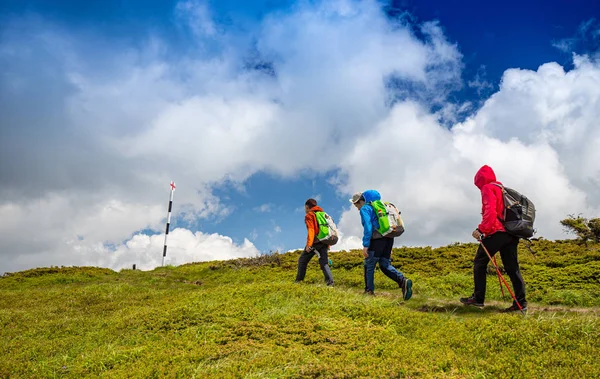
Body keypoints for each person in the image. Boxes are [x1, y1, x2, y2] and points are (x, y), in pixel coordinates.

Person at [460, 165, 528, 312]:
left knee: (479, 262)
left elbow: (490, 213)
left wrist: (481, 229)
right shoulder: (501, 188)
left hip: (497, 232)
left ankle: (478, 298)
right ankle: (520, 303)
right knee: (512, 268)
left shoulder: (487, 189)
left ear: (479, 180)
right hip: (511, 233)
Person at [350, 190, 412, 299]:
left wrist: (366, 245)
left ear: (362, 200)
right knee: (385, 265)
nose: (357, 207)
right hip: (389, 238)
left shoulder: (366, 208)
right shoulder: (383, 207)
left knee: (369, 265)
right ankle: (403, 281)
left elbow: (368, 228)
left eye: (357, 204)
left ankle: (369, 292)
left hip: (376, 240)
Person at [295, 198, 334, 286]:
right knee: (324, 262)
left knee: (302, 260)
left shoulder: (310, 215)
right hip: (324, 241)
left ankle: (298, 282)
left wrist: (309, 245)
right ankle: (330, 284)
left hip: (315, 242)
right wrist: (327, 245)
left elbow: (311, 230)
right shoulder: (323, 214)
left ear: (307, 207)